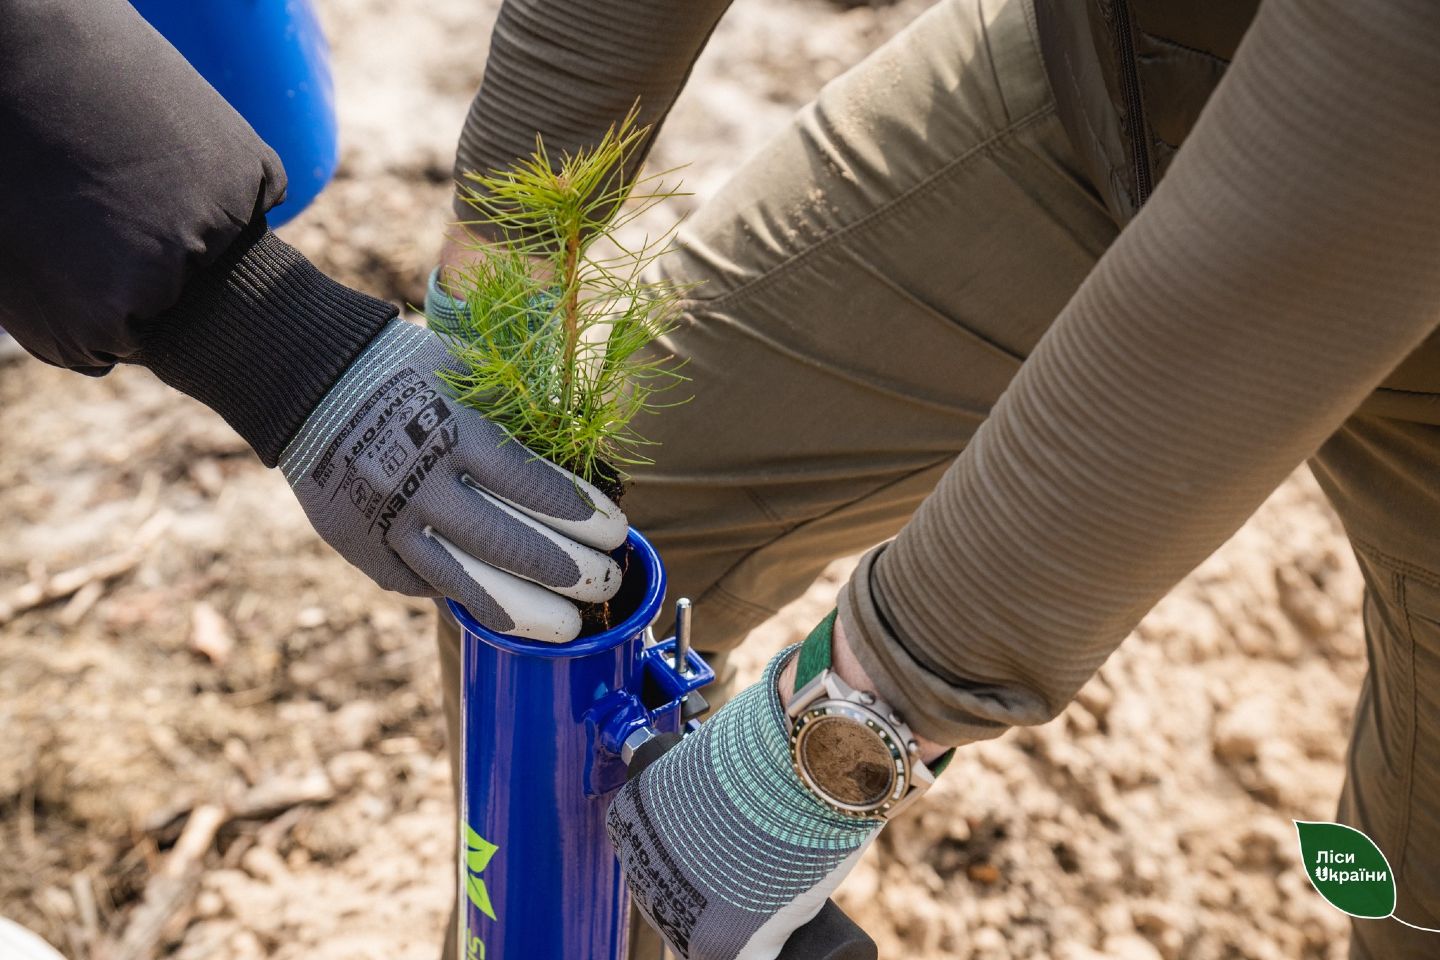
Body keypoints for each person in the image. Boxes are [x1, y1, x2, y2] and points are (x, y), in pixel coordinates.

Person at [3, 1, 1437, 960]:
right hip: (1129, 67)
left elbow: (1358, 163)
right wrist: (509, 255)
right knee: (579, 536)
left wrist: (864, 711)